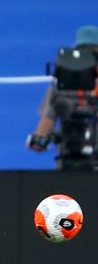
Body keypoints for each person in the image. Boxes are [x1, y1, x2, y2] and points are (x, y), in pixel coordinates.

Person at [27, 25, 98, 169]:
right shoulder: (61, 84)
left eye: (93, 53)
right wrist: (40, 139)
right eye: (84, 53)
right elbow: (48, 118)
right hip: (67, 157)